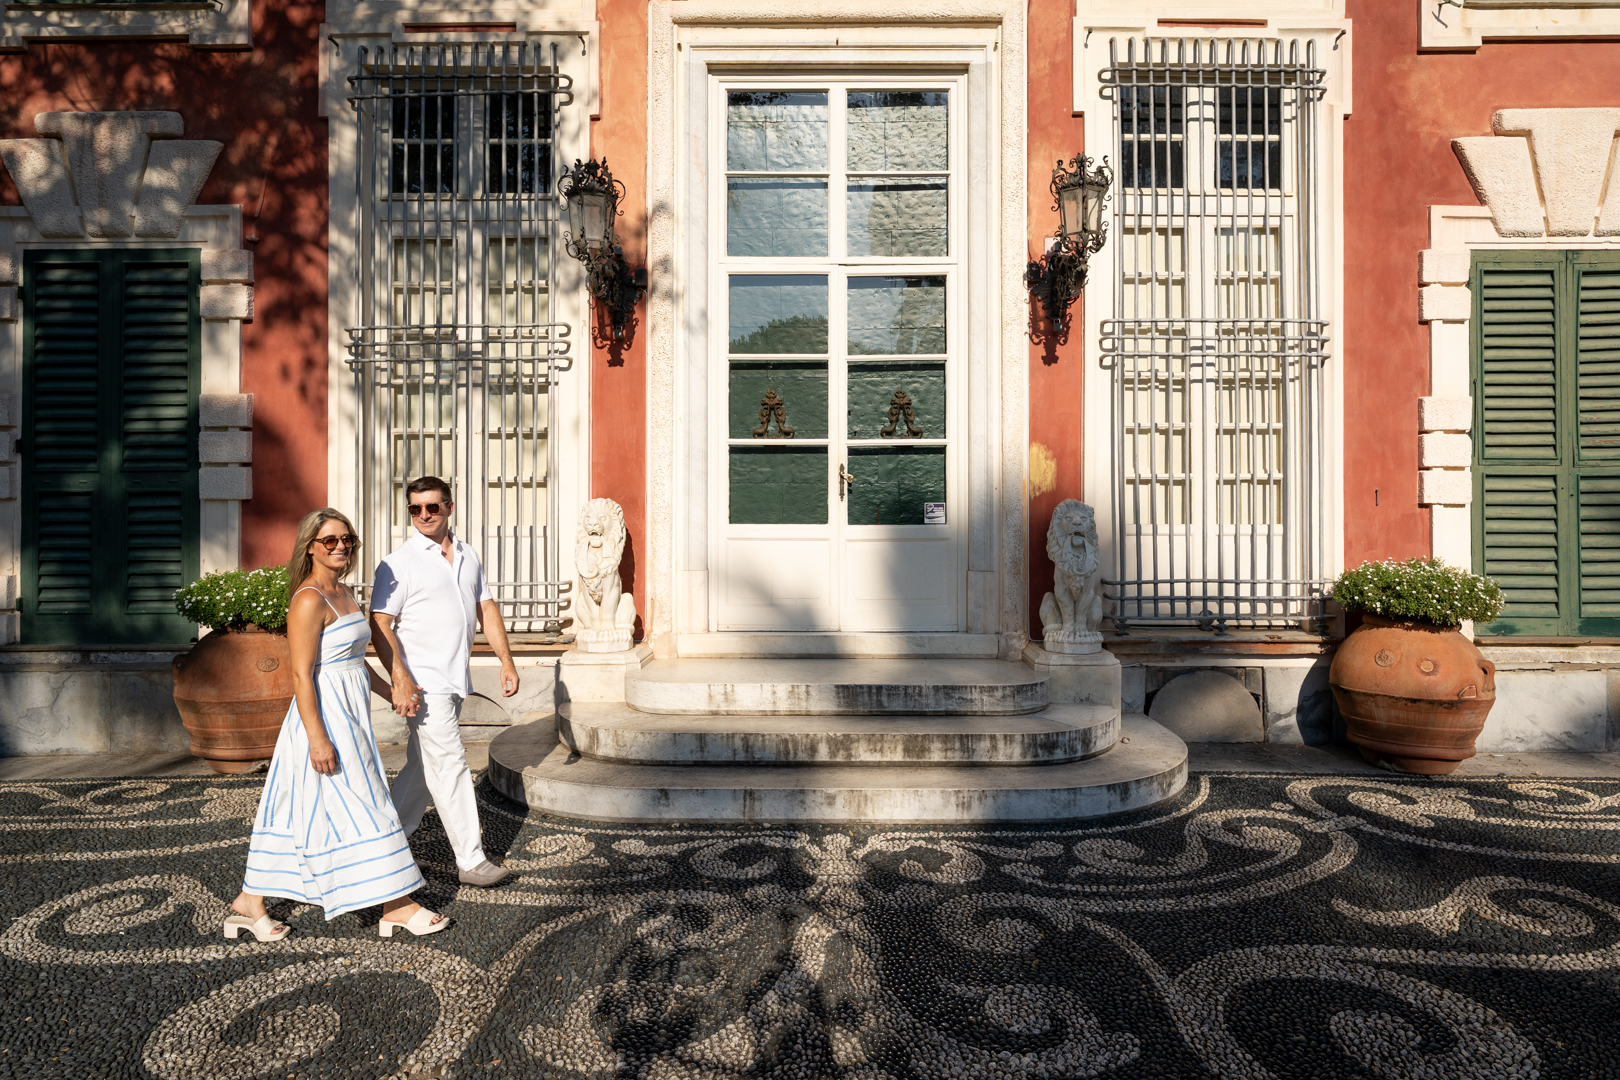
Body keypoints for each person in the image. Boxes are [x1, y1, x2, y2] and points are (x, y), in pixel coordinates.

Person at [227, 509, 449, 941]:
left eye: (346, 539)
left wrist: (391, 693)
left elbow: (351, 662)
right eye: (329, 540)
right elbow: (301, 674)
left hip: (350, 714)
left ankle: (248, 902)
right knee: (368, 804)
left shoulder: (344, 592)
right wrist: (316, 737)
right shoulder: (308, 599)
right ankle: (398, 904)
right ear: (310, 545)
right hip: (323, 718)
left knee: (300, 811)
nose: (340, 547)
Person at [370, 476, 519, 886]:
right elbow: (380, 623)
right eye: (414, 509)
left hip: (454, 679)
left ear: (449, 508)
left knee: (422, 766)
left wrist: (506, 662)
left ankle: (388, 844)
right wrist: (399, 680)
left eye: (432, 508)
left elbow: (486, 609)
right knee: (450, 764)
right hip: (423, 683)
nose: (423, 516)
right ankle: (471, 860)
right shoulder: (397, 563)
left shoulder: (468, 554)